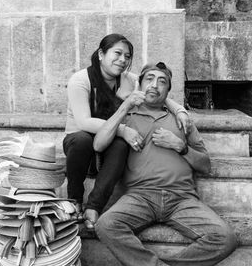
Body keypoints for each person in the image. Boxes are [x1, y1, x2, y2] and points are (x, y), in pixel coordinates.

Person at [93, 61, 238, 266]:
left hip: (181, 198)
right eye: (149, 79)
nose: (155, 85)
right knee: (106, 224)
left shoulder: (182, 120)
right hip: (140, 196)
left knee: (225, 238)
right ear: (140, 84)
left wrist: (180, 147)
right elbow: (98, 143)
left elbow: (205, 165)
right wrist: (124, 111)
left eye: (162, 81)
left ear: (168, 91)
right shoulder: (126, 117)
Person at [63, 34, 189, 229]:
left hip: (111, 139)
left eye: (127, 56)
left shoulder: (129, 80)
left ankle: (94, 206)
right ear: (101, 54)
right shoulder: (80, 80)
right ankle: (74, 200)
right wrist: (123, 130)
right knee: (82, 141)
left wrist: (179, 110)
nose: (123, 60)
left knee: (121, 146)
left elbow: (154, 92)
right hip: (80, 140)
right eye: (117, 53)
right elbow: (83, 121)